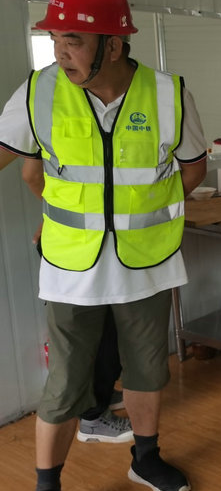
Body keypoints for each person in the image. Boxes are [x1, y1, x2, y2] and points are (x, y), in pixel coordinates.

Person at [0, 0, 207, 491]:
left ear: (113, 45)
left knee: (146, 368)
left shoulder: (168, 94)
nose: (59, 52)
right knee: (67, 380)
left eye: (72, 40)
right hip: (71, 266)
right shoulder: (38, 92)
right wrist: (70, 216)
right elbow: (22, 167)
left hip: (148, 261)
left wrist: (144, 216)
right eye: (54, 39)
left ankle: (145, 458)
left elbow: (192, 170)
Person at [23, 158, 131, 444]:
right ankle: (93, 416)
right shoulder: (38, 124)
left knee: (102, 330)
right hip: (81, 241)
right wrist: (62, 213)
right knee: (98, 335)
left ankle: (98, 397)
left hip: (82, 237)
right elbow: (31, 174)